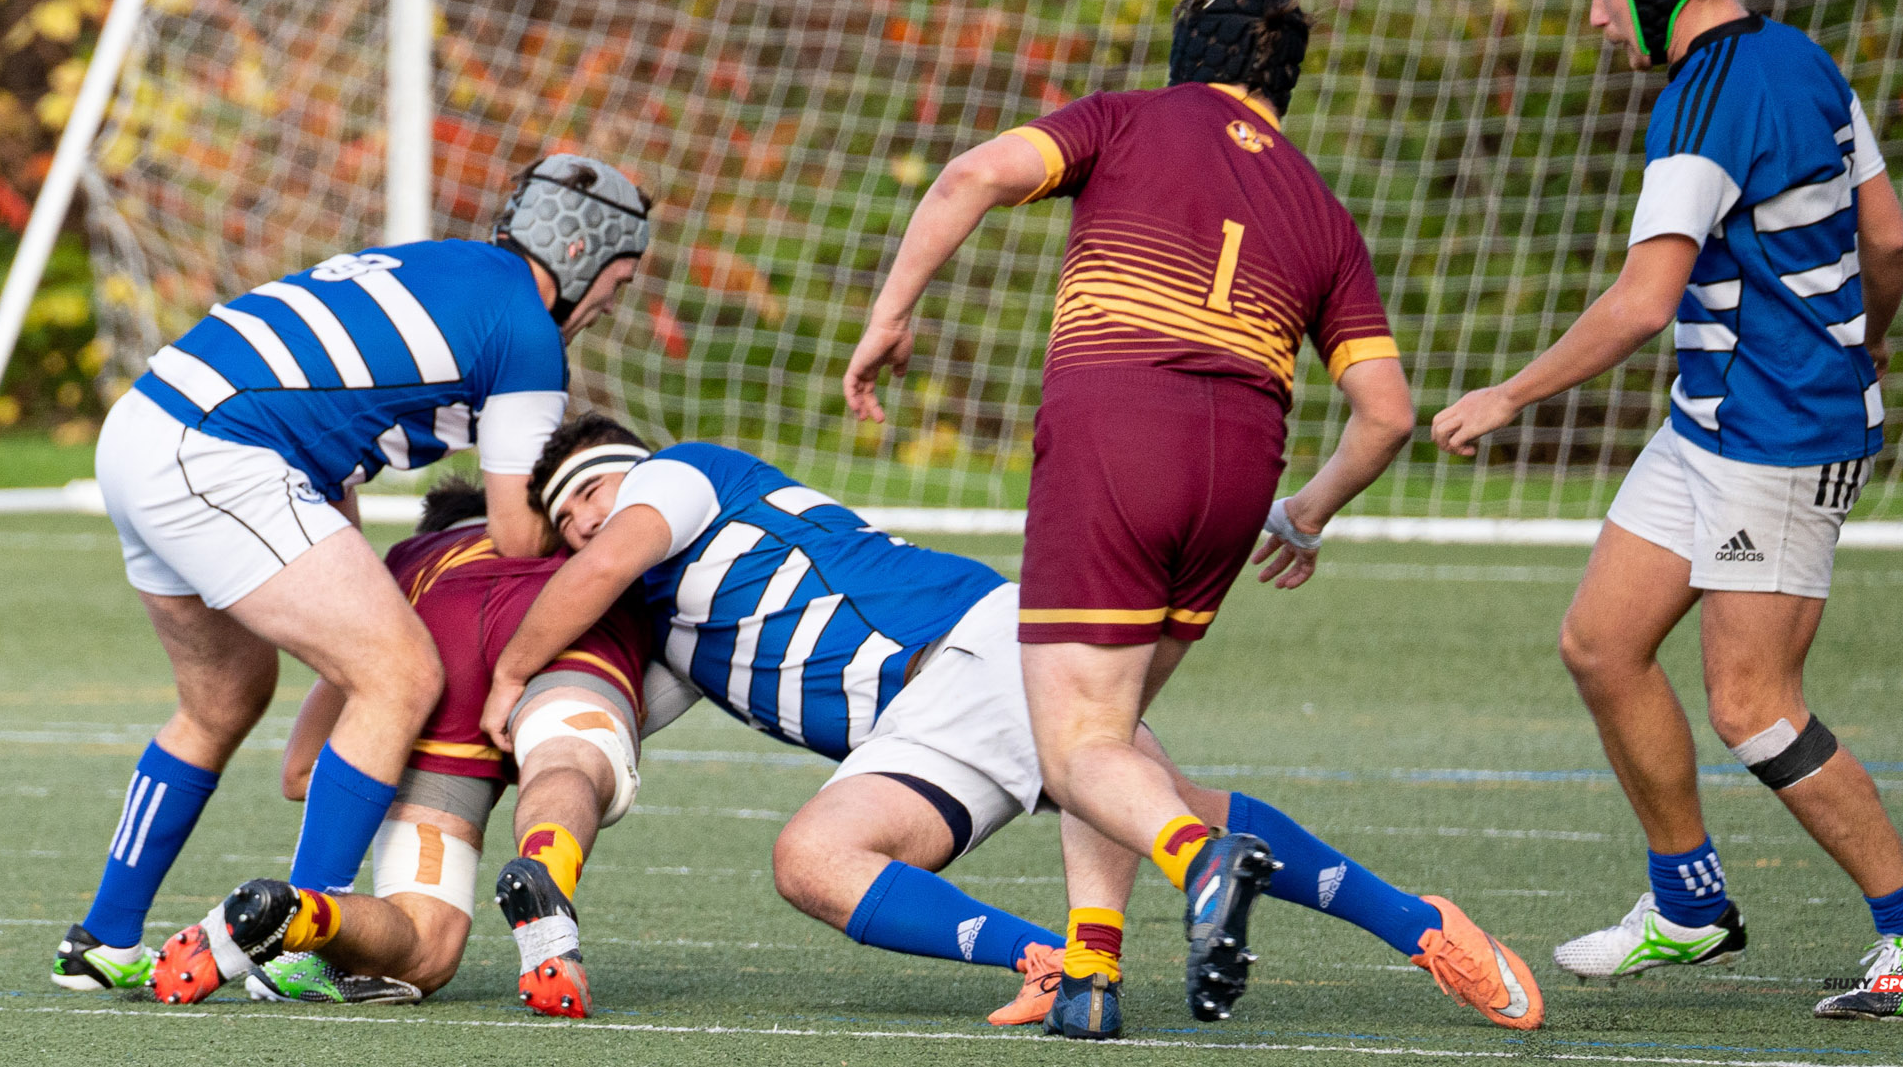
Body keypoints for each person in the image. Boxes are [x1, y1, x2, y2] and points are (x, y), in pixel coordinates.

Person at [842, 0, 1540, 1035]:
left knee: (1078, 745)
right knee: (1106, 733)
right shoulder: (1319, 207)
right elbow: (1387, 413)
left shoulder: (1124, 119)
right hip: (1240, 470)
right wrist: (1306, 512)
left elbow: (970, 174)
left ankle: (1199, 857)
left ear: (1186, 59)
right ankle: (1092, 973)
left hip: (1117, 442)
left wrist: (890, 315)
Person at [498, 412, 1542, 1038]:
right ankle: (1057, 960)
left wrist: (504, 671)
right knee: (814, 858)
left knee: (1156, 805)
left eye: (591, 490)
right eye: (566, 517)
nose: (585, 518)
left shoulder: (677, 477)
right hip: (922, 729)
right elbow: (594, 735)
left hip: (976, 644)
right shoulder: (666, 632)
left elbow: (601, 567)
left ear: (631, 470)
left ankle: (1421, 929)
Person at [1432, 0, 1903, 1021]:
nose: (1593, 18)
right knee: (1599, 644)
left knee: (1752, 706)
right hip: (1711, 422)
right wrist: (1865, 338)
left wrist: (1507, 395)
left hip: (1777, 438)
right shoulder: (1804, 61)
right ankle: (1687, 907)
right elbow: (1886, 241)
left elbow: (1641, 302)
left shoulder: (1698, 104)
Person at [53, 154, 650, 999]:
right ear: (581, 251)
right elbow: (518, 534)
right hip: (218, 451)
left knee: (222, 700)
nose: (610, 304)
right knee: (398, 675)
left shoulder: (446, 265)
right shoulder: (526, 330)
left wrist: (355, 580)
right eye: (616, 282)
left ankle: (101, 937)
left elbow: (327, 432)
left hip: (146, 424)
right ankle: (300, 945)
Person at [158, 478, 655, 1015]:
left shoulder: (407, 563)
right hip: (551, 636)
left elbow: (299, 772)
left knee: (424, 948)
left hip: (440, 673)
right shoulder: (584, 543)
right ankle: (546, 881)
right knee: (566, 762)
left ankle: (296, 916)